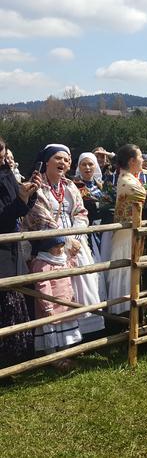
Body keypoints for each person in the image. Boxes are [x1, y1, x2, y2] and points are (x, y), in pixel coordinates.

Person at [23, 144, 105, 336]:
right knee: (57, 291)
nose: (63, 163)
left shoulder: (69, 186)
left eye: (67, 160)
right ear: (46, 161)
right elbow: (41, 217)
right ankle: (61, 340)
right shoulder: (37, 185)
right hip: (50, 246)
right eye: (58, 158)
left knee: (84, 286)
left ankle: (86, 333)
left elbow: (81, 212)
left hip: (76, 242)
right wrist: (65, 242)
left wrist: (76, 236)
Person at [0, 137, 39, 373]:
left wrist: (29, 193)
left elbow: (18, 208)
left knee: (16, 298)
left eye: (1, 149)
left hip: (12, 247)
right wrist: (21, 200)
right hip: (1, 250)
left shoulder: (6, 172)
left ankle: (16, 358)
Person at [105, 144, 147, 315]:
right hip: (126, 235)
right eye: (140, 157)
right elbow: (144, 196)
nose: (143, 160)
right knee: (125, 271)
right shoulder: (127, 180)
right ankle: (124, 312)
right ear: (132, 160)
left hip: (130, 233)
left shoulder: (129, 177)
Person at [30, 236, 82, 369]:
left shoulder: (62, 259)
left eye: (61, 246)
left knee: (65, 332)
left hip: (65, 302)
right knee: (51, 331)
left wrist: (73, 255)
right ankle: (53, 359)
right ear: (47, 248)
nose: (59, 249)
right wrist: (48, 307)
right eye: (55, 247)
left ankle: (64, 356)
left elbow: (71, 267)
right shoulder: (42, 263)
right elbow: (42, 285)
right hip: (52, 304)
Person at [73, 152, 109, 300]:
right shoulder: (75, 186)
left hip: (105, 231)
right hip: (88, 233)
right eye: (84, 164)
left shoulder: (103, 186)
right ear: (78, 167)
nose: (87, 167)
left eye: (90, 164)